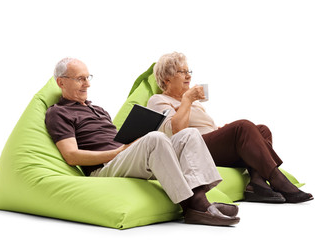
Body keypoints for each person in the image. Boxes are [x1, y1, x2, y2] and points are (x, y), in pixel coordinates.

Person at [45, 57, 240, 226]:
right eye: (80, 79)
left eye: (88, 78)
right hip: (104, 167)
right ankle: (195, 206)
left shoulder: (98, 109)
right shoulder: (58, 112)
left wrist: (132, 141)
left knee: (189, 134)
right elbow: (71, 156)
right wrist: (117, 152)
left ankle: (200, 199)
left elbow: (114, 140)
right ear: (61, 82)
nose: (87, 84)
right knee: (155, 138)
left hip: (123, 155)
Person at [147, 52, 313, 204]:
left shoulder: (194, 103)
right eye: (182, 72)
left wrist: (220, 130)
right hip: (193, 148)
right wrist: (188, 99)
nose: (188, 75)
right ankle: (276, 178)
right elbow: (176, 131)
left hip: (210, 145)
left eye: (188, 71)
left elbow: (205, 127)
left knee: (262, 129)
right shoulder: (158, 100)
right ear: (167, 79)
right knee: (243, 126)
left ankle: (256, 182)